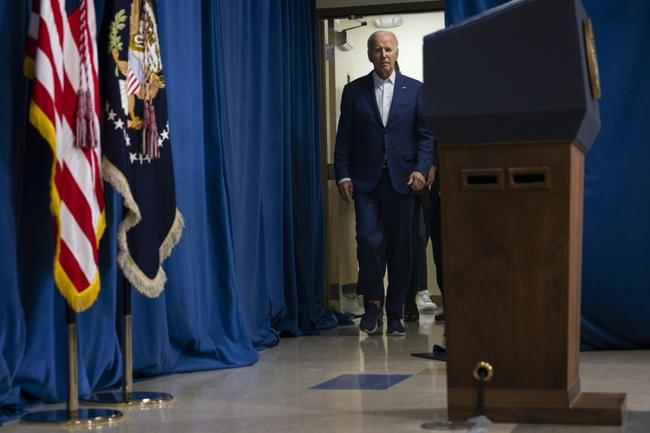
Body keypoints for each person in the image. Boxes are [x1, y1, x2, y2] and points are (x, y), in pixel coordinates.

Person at [334, 30, 434, 336]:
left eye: (388, 49)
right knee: (368, 241)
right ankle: (373, 305)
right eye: (377, 50)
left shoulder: (416, 90)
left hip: (403, 182)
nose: (383, 54)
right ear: (369, 55)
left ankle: (395, 312)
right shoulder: (354, 92)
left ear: (397, 52)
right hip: (367, 183)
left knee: (401, 250)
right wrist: (343, 174)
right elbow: (343, 140)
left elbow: (426, 136)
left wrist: (421, 168)